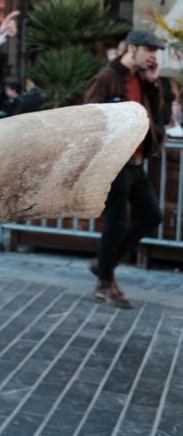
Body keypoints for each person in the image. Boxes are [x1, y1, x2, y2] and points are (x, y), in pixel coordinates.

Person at [83, 29, 166, 309]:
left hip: (137, 162)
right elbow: (89, 116)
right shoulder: (108, 77)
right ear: (132, 48)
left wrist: (154, 82)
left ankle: (104, 265)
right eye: (149, 50)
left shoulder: (142, 79)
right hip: (114, 162)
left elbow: (156, 113)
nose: (153, 56)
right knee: (117, 224)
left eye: (155, 51)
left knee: (151, 215)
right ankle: (104, 284)